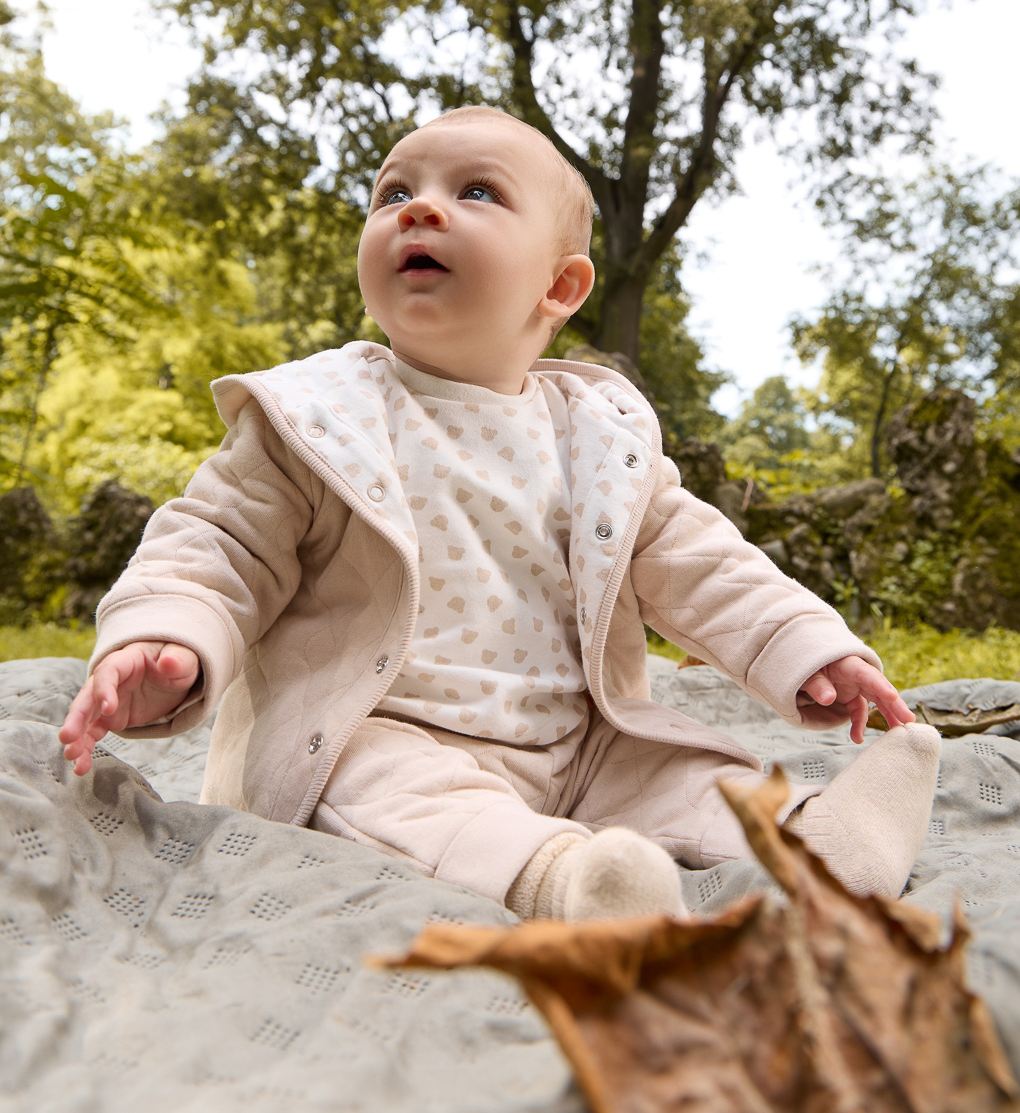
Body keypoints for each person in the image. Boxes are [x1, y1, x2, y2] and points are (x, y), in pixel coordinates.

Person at [58, 106, 940, 923]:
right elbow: (216, 540)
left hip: (582, 742)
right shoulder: (319, 416)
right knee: (381, 794)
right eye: (394, 192)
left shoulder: (599, 436)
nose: (420, 211)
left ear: (559, 287)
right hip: (380, 732)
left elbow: (700, 559)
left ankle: (821, 839)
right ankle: (573, 883)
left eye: (474, 192)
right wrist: (166, 632)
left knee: (691, 771)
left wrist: (807, 646)